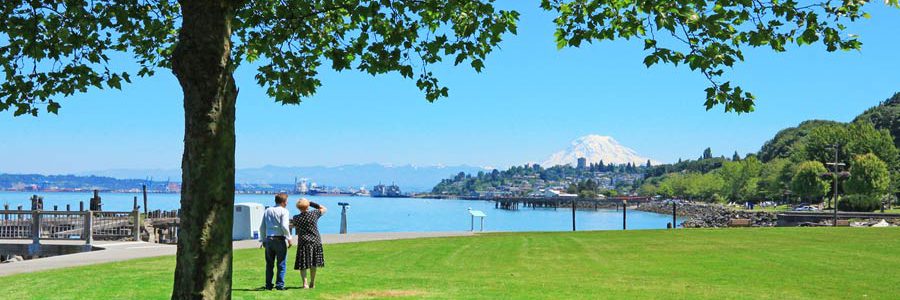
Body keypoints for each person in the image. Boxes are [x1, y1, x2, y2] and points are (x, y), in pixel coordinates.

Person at [259, 193, 293, 290]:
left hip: (269, 239)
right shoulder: (284, 211)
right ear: (283, 202)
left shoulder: (268, 210)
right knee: (281, 263)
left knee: (269, 264)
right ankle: (280, 285)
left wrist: (263, 239)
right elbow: (284, 225)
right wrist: (289, 238)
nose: (287, 203)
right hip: (279, 239)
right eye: (286, 201)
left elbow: (262, 226)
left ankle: (268, 285)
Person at [291, 198, 327, 289]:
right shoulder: (314, 214)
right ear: (307, 206)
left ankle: (305, 283)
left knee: (303, 263)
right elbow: (324, 209)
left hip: (303, 241)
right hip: (315, 240)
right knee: (313, 262)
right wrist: (311, 203)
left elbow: (293, 225)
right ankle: (312, 282)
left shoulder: (296, 218)